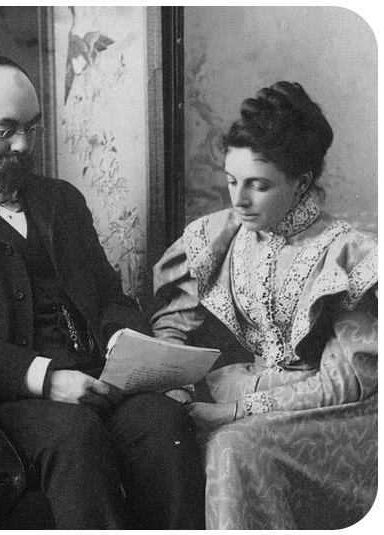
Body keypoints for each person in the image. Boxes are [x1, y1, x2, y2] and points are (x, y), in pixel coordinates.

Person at [0, 53, 205, 530]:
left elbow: (110, 298)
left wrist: (124, 346)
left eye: (32, 128)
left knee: (162, 421)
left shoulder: (62, 200)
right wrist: (46, 379)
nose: (23, 144)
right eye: (6, 130)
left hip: (99, 380)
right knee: (74, 432)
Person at [152, 81, 377, 529]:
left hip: (330, 412)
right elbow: (171, 327)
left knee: (232, 446)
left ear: (301, 183)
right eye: (232, 181)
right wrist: (174, 383)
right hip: (238, 387)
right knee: (157, 428)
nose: (239, 200)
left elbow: (347, 382)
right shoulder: (219, 235)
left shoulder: (347, 254)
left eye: (258, 185)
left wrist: (237, 412)